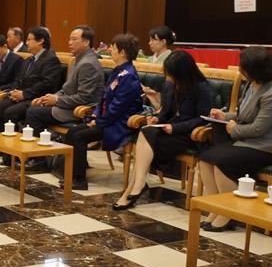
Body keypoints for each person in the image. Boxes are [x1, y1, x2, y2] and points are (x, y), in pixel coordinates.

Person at [198, 46, 272, 230]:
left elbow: (258, 128)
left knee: (222, 162)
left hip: (267, 146)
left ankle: (228, 213)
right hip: (247, 141)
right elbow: (244, 115)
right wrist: (226, 116)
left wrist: (233, 128)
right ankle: (215, 207)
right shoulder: (252, 85)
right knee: (205, 158)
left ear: (252, 70)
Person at [113, 51, 213, 209]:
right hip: (168, 129)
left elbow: (202, 118)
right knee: (146, 129)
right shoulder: (170, 84)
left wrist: (175, 127)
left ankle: (133, 188)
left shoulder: (201, 88)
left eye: (173, 74)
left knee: (146, 134)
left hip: (188, 134)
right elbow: (166, 111)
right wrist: (157, 119)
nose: (169, 78)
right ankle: (137, 185)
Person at [57, 34, 142, 190]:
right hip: (107, 119)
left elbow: (118, 108)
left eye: (113, 48)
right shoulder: (118, 71)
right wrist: (96, 114)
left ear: (122, 52)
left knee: (79, 136)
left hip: (119, 123)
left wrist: (99, 122)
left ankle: (79, 180)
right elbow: (103, 98)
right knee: (73, 132)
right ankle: (73, 174)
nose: (110, 51)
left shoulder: (129, 76)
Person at [23, 25, 104, 169]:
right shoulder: (79, 59)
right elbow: (67, 88)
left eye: (74, 39)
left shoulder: (88, 63)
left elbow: (84, 98)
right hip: (70, 104)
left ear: (86, 42)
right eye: (69, 39)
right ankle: (43, 154)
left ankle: (40, 159)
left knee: (33, 113)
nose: (69, 42)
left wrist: (57, 100)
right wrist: (52, 96)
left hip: (80, 110)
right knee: (35, 106)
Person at [0, 26, 62, 139]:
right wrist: (14, 91)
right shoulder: (29, 59)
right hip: (22, 96)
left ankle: (13, 149)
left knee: (10, 112)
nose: (26, 43)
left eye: (29, 40)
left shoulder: (51, 59)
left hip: (36, 98)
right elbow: (18, 79)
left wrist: (24, 94)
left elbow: (46, 84)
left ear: (41, 41)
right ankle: (1, 144)